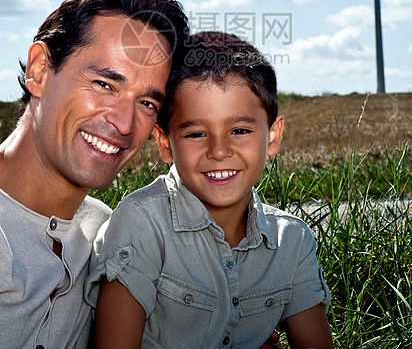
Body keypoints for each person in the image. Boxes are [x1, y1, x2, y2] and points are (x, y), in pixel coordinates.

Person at [87, 31, 334, 349]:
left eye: (240, 130)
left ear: (273, 136)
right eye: (196, 134)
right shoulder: (143, 224)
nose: (219, 150)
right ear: (165, 143)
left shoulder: (292, 241)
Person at [0, 0, 189, 349]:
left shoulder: (110, 234)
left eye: (147, 103)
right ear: (38, 71)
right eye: (105, 84)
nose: (124, 122)